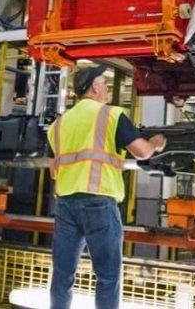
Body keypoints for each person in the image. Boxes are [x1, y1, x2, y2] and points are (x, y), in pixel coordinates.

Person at [48, 65, 167, 309]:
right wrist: (156, 142)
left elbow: (55, 165)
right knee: (107, 276)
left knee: (62, 275)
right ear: (94, 87)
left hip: (65, 204)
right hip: (99, 202)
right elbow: (142, 152)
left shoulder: (58, 125)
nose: (106, 88)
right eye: (104, 83)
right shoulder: (111, 114)